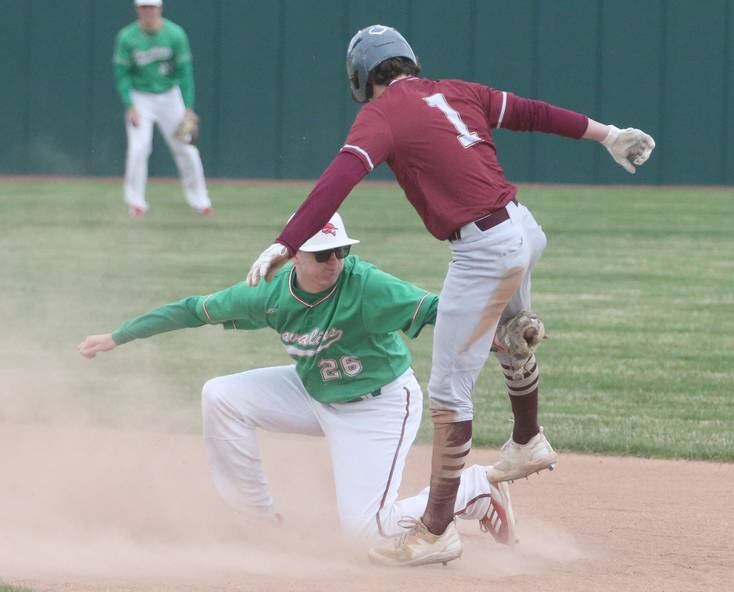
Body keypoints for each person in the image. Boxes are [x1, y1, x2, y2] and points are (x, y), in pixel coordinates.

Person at [244, 25, 656, 566]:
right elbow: (533, 113)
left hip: (481, 250)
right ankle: (527, 437)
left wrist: (286, 241)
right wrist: (608, 135)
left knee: (447, 395)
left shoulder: (382, 113)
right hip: (521, 230)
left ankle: (436, 531)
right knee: (511, 334)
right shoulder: (458, 91)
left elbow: (339, 178)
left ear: (361, 78)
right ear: (408, 61)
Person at [77, 212, 515, 564]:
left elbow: (439, 308)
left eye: (340, 251)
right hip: (314, 390)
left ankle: (474, 489)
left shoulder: (365, 285)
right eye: (323, 254)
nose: (335, 262)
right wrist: (119, 336)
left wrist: (492, 332)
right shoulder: (269, 293)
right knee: (221, 395)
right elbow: (194, 310)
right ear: (293, 256)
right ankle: (257, 517)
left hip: (377, 406)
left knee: (366, 531)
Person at [113, 0, 213, 218]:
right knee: (139, 148)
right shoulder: (127, 37)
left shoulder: (175, 34)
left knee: (186, 147)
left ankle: (201, 201)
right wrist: (129, 105)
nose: (148, 11)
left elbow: (185, 72)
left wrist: (188, 107)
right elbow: (122, 74)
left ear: (160, 8)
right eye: (144, 7)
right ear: (137, 9)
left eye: (151, 6)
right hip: (140, 96)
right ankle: (136, 202)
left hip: (170, 95)